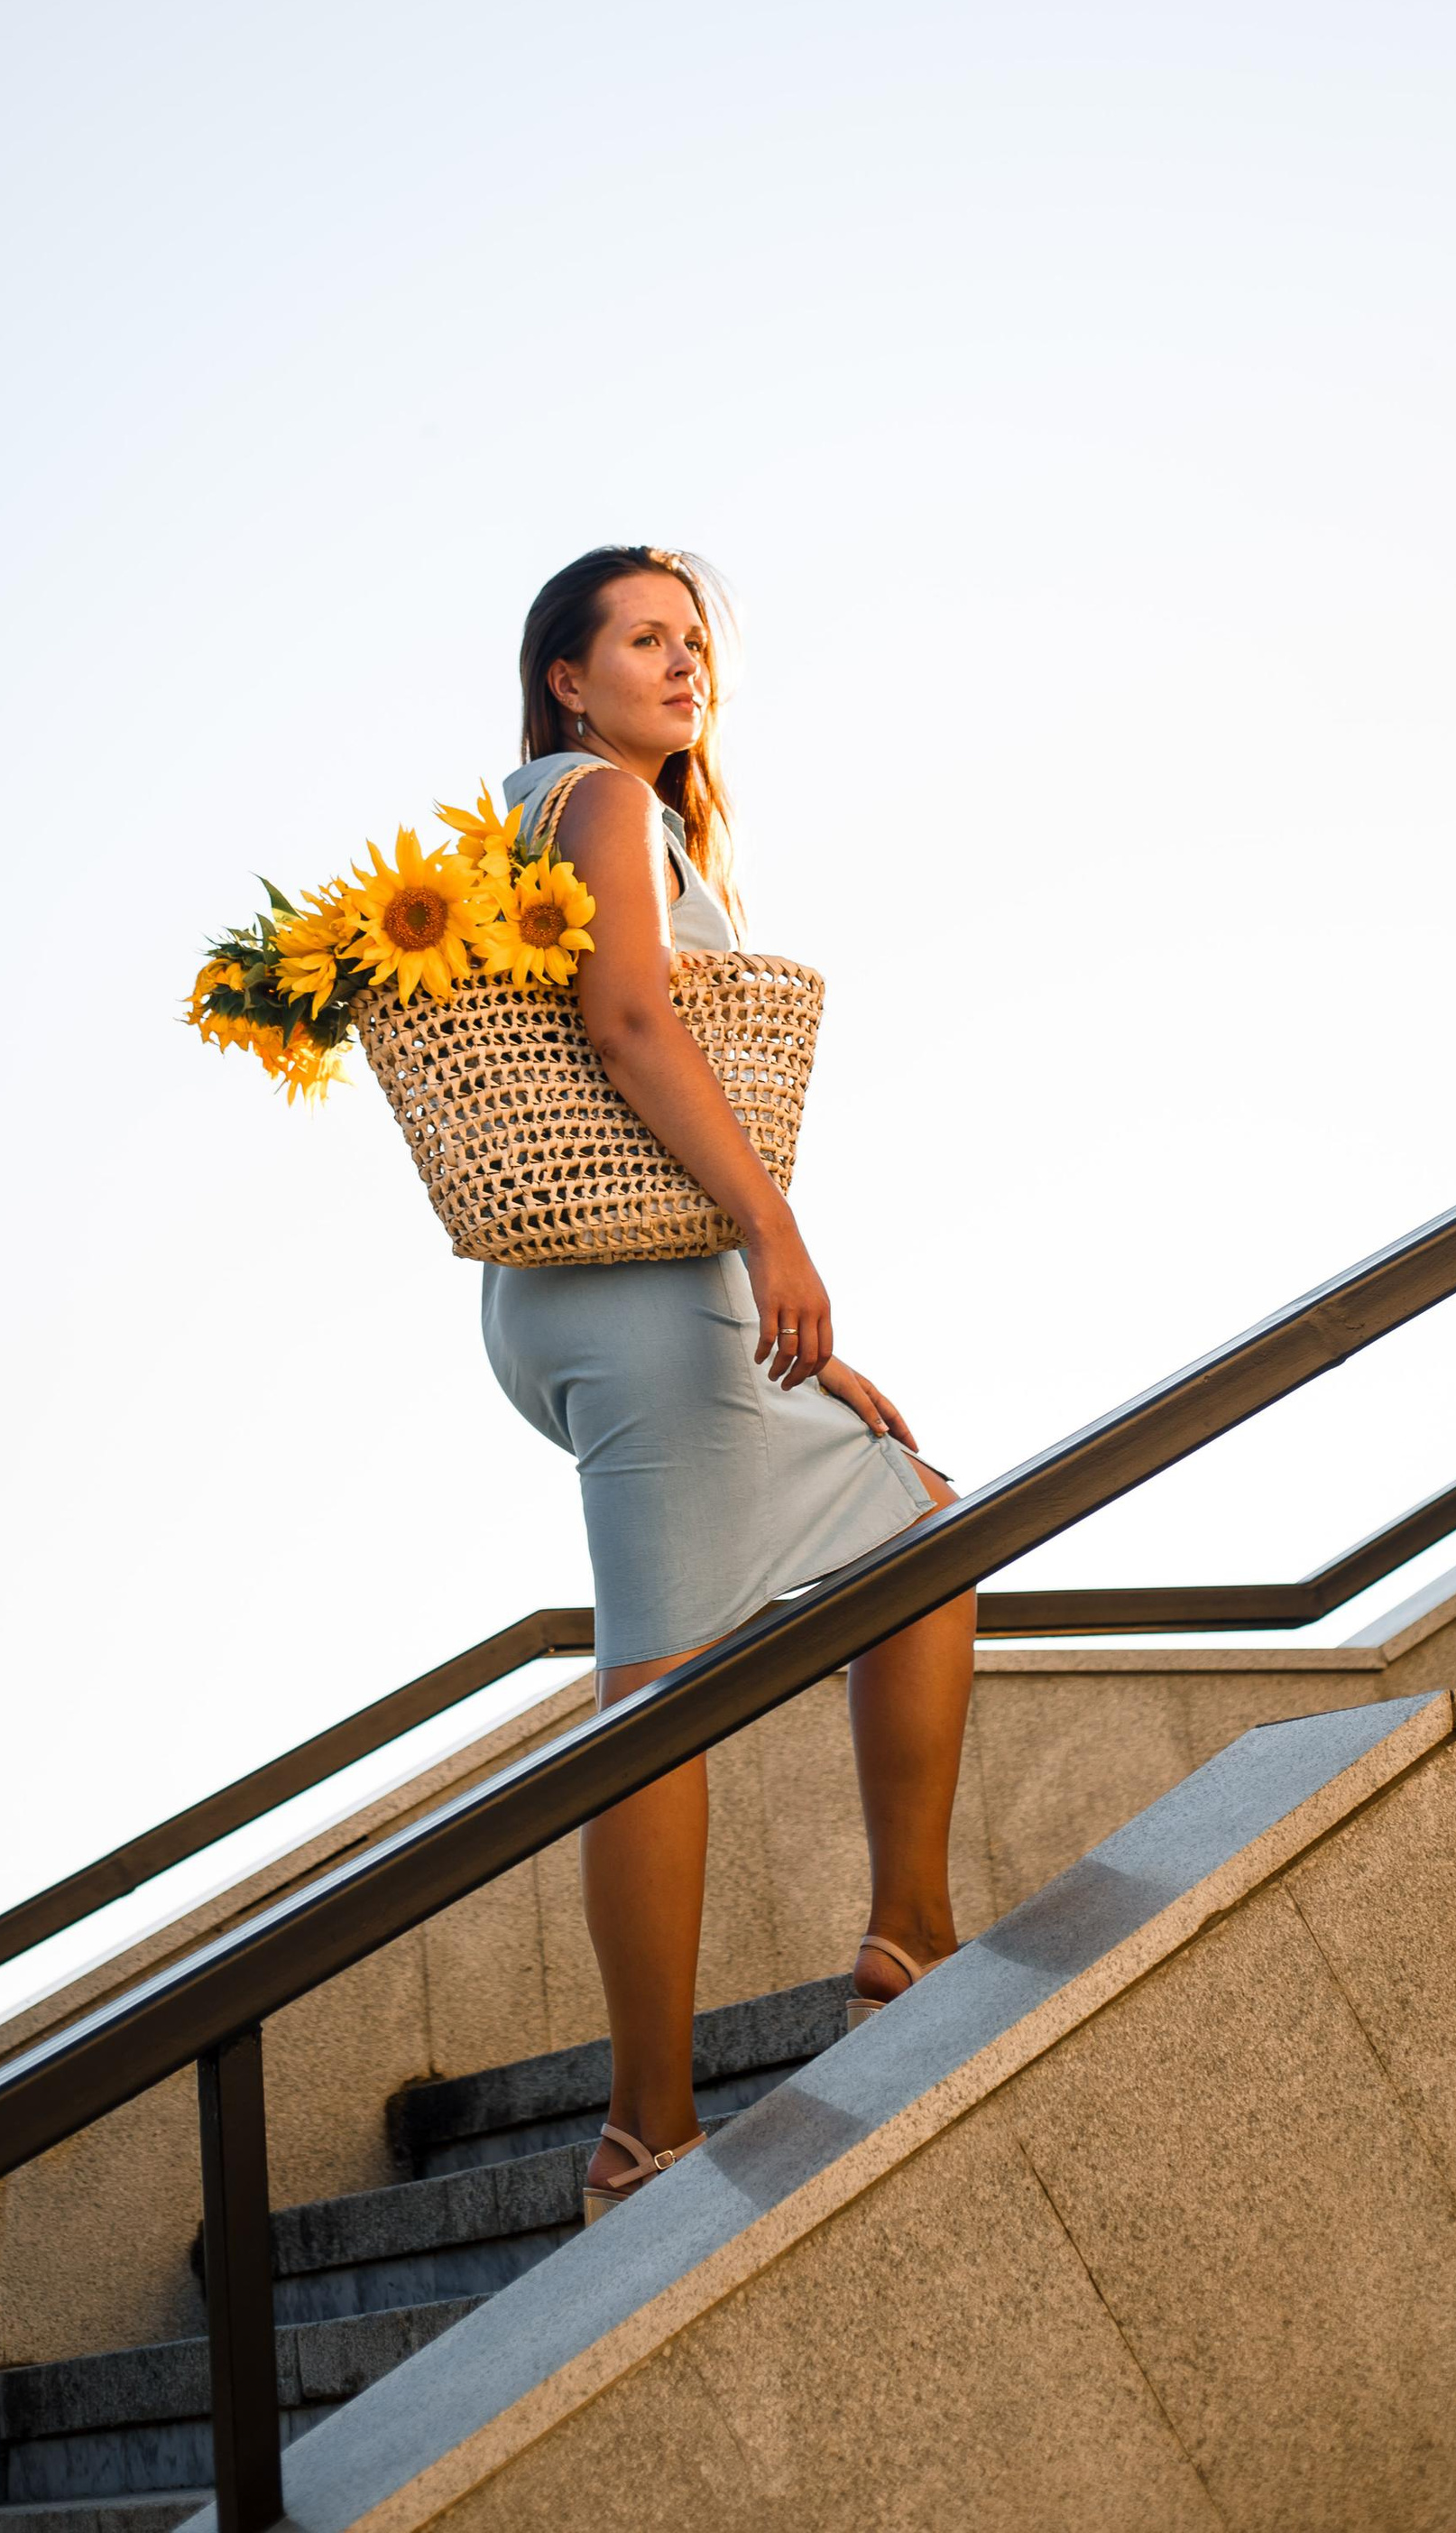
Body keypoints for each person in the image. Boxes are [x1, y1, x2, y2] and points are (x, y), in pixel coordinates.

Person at [481, 544, 975, 2216]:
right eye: (645, 638)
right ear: (569, 677)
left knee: (917, 1526)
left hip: (571, 1293)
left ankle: (911, 1937)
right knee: (658, 1700)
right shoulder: (603, 802)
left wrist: (790, 1332)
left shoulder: (528, 819)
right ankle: (645, 2135)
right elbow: (633, 1024)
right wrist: (777, 1237)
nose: (684, 662)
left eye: (694, 640)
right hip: (643, 1298)